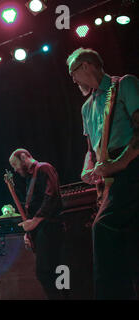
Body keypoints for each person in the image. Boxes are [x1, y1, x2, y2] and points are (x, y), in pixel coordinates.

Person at [67, 47, 139, 299]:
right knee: (130, 242)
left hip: (131, 165)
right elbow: (91, 149)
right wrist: (89, 167)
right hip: (110, 175)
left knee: (103, 228)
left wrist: (119, 163)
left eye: (73, 73)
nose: (73, 80)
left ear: (85, 66)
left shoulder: (125, 84)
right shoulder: (86, 108)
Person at [9, 148, 65, 299]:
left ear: (23, 156)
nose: (15, 170)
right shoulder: (30, 178)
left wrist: (34, 222)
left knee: (50, 271)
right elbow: (33, 206)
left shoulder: (44, 168)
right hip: (42, 230)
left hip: (51, 228)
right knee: (52, 272)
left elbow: (51, 196)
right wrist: (29, 232)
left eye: (15, 165)